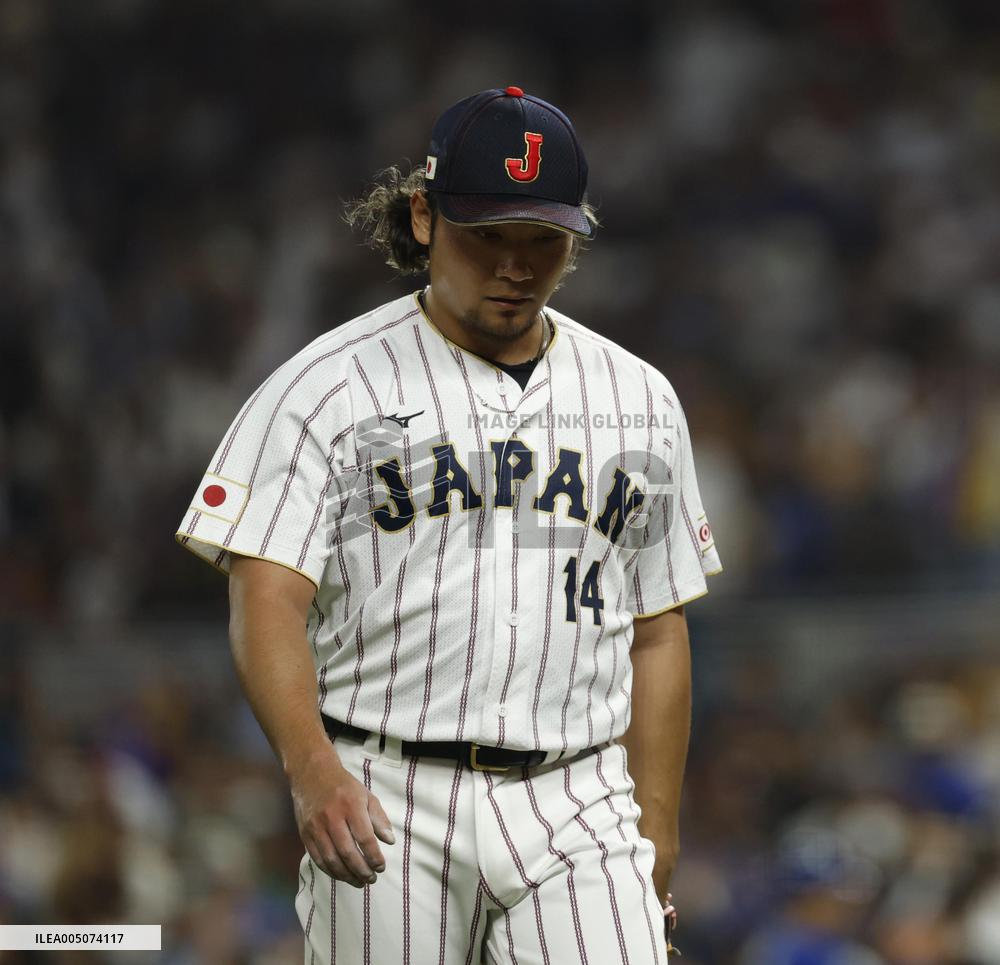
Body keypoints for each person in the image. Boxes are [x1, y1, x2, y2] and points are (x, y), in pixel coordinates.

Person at [176, 85, 722, 964]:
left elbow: (658, 628)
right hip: (385, 786)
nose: (515, 265)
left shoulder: (639, 397)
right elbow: (266, 593)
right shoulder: (327, 386)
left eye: (541, 239)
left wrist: (656, 830)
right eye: (487, 235)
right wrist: (312, 768)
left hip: (577, 795)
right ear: (424, 217)